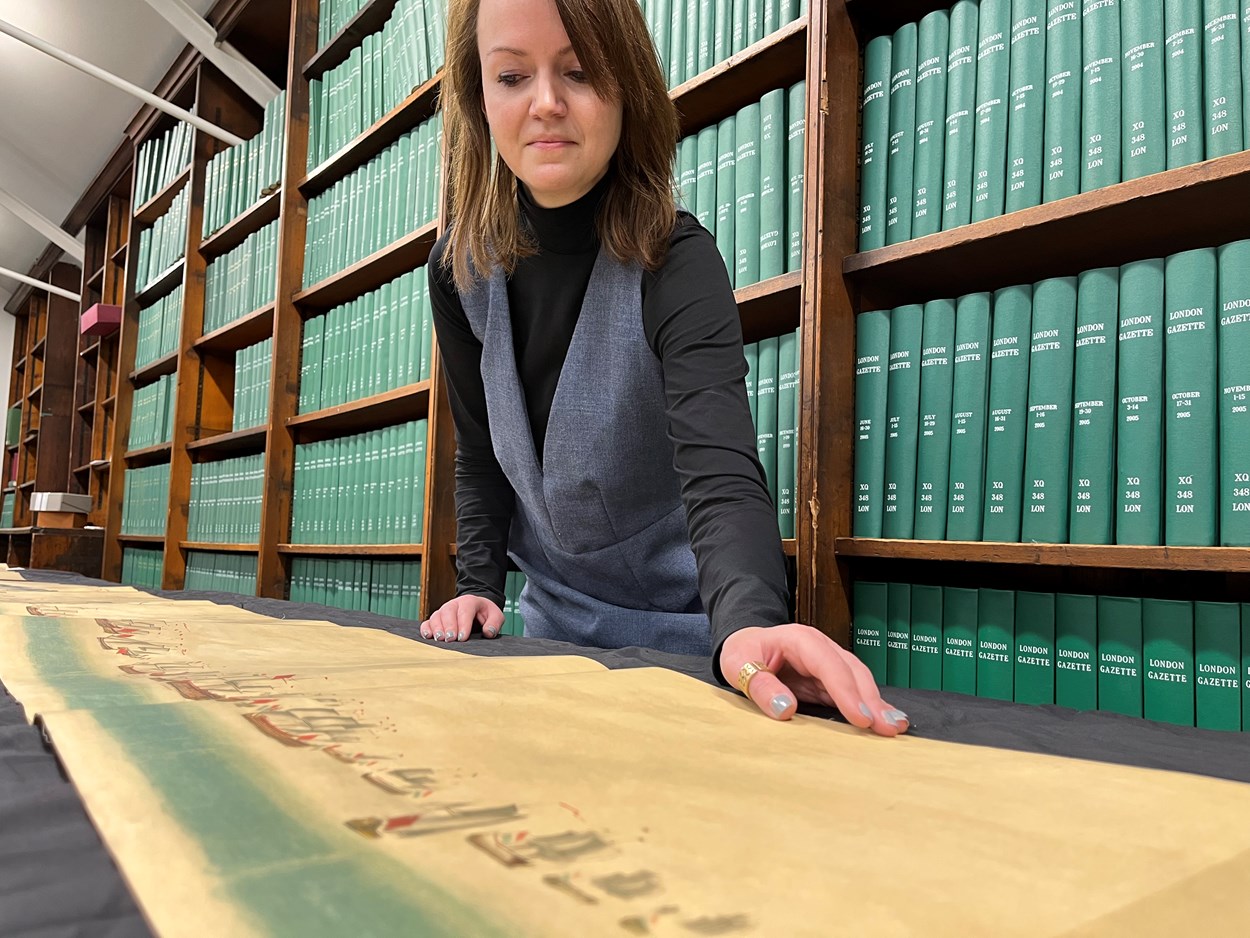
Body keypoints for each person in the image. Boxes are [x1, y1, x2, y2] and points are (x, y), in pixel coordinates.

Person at [421, 0, 909, 737]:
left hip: (691, 648)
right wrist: (478, 586)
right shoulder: (456, 272)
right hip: (541, 648)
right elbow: (484, 455)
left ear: (628, 87)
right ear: (478, 95)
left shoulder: (676, 260)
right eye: (513, 75)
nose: (546, 103)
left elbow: (721, 474)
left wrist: (747, 623)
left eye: (579, 71)